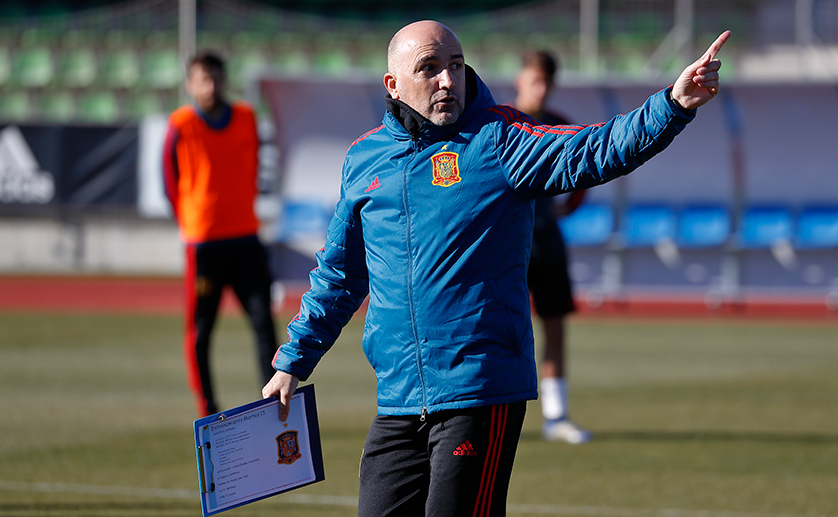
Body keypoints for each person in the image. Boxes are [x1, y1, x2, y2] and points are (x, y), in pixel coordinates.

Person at [263, 21, 729, 516]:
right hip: (398, 398)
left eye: (456, 66)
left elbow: (594, 148)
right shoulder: (364, 158)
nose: (448, 80)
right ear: (392, 84)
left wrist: (672, 106)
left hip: (479, 391)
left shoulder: (500, 139)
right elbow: (339, 275)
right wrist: (293, 360)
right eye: (430, 68)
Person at [163, 51, 278, 418]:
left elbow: (255, 165)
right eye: (203, 80)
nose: (211, 86)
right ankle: (207, 406)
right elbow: (169, 180)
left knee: (264, 323)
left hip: (245, 237)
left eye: (216, 78)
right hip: (204, 245)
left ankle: (274, 402)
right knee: (201, 330)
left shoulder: (245, 118)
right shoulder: (181, 124)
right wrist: (190, 220)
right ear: (190, 85)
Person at [513, 50, 591, 444]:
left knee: (556, 329)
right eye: (534, 80)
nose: (539, 89)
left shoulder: (560, 127)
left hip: (548, 245)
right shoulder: (503, 124)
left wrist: (564, 209)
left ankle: (556, 416)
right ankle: (488, 411)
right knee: (502, 330)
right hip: (509, 246)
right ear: (520, 81)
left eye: (546, 82)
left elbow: (585, 177)